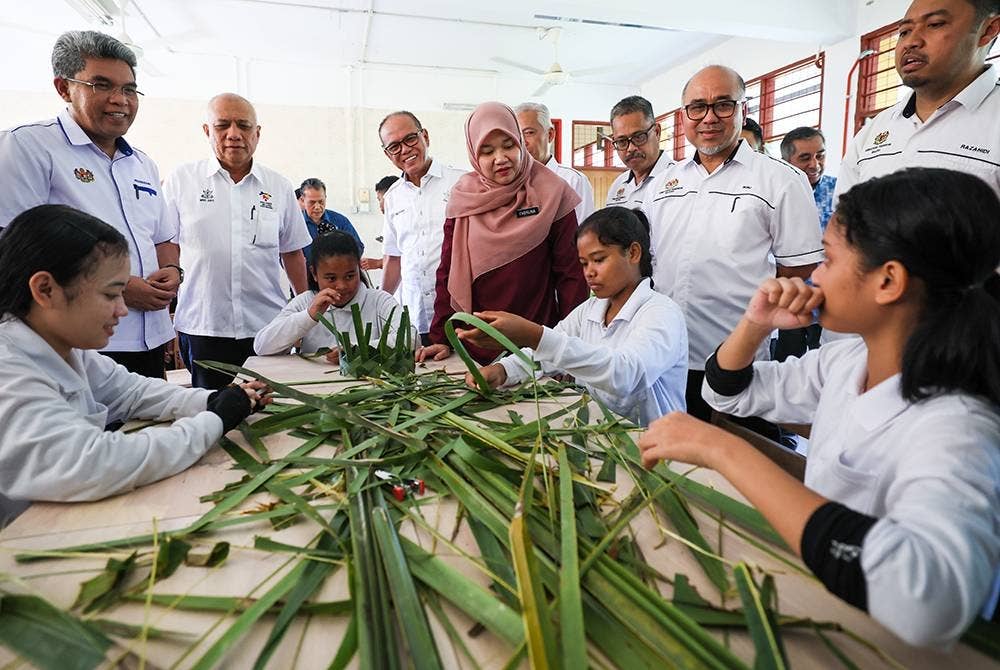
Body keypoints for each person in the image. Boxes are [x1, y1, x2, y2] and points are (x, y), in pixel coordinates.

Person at [639, 168, 1000, 649]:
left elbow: (924, 601)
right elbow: (727, 392)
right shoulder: (848, 359)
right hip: (834, 599)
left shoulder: (957, 427)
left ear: (888, 280)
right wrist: (755, 324)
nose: (814, 277)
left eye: (828, 259)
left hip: (892, 643)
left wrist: (726, 451)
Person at [0, 205, 269, 525]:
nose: (121, 310)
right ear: (46, 289)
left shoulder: (66, 350)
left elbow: (132, 392)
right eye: (111, 294)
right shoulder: (9, 370)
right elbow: (97, 462)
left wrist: (210, 399)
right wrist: (214, 421)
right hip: (28, 542)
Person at [641, 65, 823, 432]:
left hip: (734, 360)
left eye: (723, 105)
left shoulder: (781, 181)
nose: (709, 117)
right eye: (697, 107)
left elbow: (797, 273)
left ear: (743, 109)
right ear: (683, 116)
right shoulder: (664, 182)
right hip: (664, 355)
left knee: (729, 467)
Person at [0, 30, 179, 379]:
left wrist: (174, 272)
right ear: (64, 88)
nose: (120, 99)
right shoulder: (27, 148)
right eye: (102, 85)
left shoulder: (143, 164)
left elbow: (163, 238)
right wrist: (122, 288)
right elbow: (13, 253)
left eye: (129, 89)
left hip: (149, 339)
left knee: (148, 428)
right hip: (76, 347)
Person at [460, 207, 687, 426]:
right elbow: (546, 354)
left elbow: (625, 375)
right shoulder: (590, 309)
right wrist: (504, 370)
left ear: (633, 253)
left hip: (655, 447)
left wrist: (533, 335)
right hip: (601, 432)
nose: (589, 272)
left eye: (599, 260)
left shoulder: (661, 313)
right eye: (584, 263)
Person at [420, 101, 588, 365]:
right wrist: (440, 336)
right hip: (475, 343)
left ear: (521, 142)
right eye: (486, 151)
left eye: (509, 145)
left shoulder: (553, 191)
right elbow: (447, 269)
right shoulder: (464, 197)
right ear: (474, 155)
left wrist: (569, 348)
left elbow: (571, 277)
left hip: (535, 346)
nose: (500, 158)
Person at [163, 93, 310, 389]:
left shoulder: (278, 186)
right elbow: (166, 246)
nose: (234, 135)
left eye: (243, 125)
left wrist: (306, 317)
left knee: (273, 416)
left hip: (267, 327)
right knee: (214, 417)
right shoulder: (182, 180)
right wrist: (162, 317)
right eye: (222, 126)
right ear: (207, 131)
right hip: (204, 326)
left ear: (257, 133)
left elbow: (293, 254)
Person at [837, 0, 1000, 200]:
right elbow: (842, 222)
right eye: (904, 31)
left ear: (988, 30)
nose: (910, 42)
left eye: (935, 24)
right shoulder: (875, 130)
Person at [253, 230, 416, 362]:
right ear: (314, 274)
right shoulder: (306, 302)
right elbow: (262, 346)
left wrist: (359, 350)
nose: (342, 286)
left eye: (350, 276)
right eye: (331, 278)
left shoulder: (378, 300)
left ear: (359, 269)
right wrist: (309, 316)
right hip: (314, 391)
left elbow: (411, 338)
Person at [377, 111, 466, 345]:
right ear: (388, 154)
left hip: (459, 313)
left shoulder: (462, 183)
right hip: (416, 317)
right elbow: (394, 257)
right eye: (394, 146)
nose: (405, 149)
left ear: (425, 136)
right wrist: (379, 305)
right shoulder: (393, 197)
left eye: (410, 139)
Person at [514, 101, 595, 225]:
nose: (523, 142)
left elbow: (584, 232)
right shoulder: (512, 181)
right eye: (517, 135)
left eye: (529, 133)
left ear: (550, 134)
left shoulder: (573, 181)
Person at [605, 96, 674, 207]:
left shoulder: (680, 180)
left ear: (657, 132)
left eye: (639, 137)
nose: (631, 148)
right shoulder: (618, 186)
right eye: (622, 141)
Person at [781, 126, 836, 231]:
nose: (815, 165)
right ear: (785, 162)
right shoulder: (775, 195)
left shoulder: (839, 189)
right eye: (805, 158)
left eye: (820, 156)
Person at [298, 177, 364, 260]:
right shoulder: (295, 224)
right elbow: (285, 255)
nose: (317, 207)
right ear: (302, 200)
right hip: (305, 272)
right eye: (312, 202)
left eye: (321, 201)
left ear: (325, 198)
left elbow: (358, 247)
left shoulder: (340, 221)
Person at [360, 175, 400, 272]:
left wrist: (378, 263)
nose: (380, 205)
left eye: (379, 199)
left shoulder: (404, 222)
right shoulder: (391, 221)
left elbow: (405, 258)